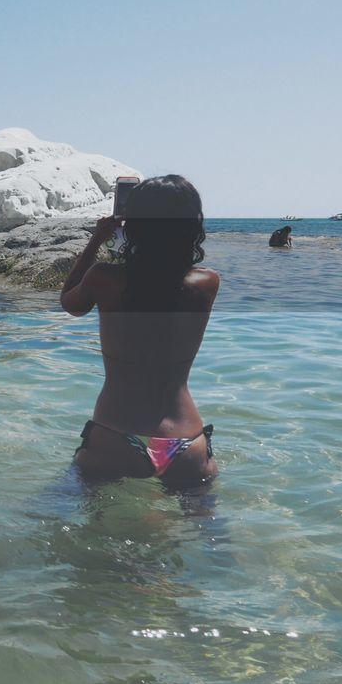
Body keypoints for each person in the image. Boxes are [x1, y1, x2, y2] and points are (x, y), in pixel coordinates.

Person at [60, 175, 219, 485]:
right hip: (187, 440)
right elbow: (164, 278)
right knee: (206, 531)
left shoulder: (104, 278)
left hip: (115, 434)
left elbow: (71, 303)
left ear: (133, 223)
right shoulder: (207, 283)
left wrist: (97, 239)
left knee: (87, 527)